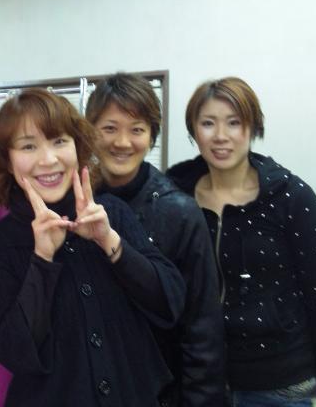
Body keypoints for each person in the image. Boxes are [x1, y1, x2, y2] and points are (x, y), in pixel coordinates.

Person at [0, 88, 186, 407]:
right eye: (29, 146)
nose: (49, 159)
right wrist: (42, 259)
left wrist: (109, 241)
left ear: (77, 146)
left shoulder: (112, 213)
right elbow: (14, 351)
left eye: (59, 141)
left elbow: (169, 303)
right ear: (7, 160)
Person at [166, 77, 316, 407]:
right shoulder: (174, 195)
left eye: (234, 123)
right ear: (193, 130)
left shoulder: (291, 198)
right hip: (198, 380)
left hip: (280, 384)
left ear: (253, 127)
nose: (220, 136)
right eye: (208, 123)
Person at [85, 72, 226, 406]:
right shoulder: (75, 203)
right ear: (89, 131)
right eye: (109, 128)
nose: (122, 142)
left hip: (160, 392)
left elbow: (201, 328)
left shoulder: (179, 212)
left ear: (151, 136)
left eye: (136, 130)